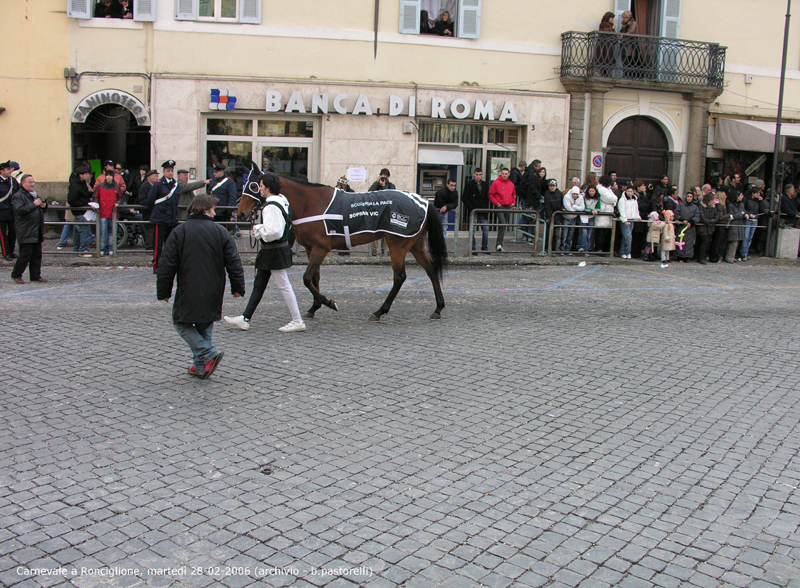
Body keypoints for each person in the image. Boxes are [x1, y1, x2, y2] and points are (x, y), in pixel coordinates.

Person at [157, 194, 245, 379]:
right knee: (205, 324)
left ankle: (207, 353)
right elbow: (234, 262)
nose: (214, 213)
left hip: (189, 286)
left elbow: (167, 264)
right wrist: (237, 286)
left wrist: (164, 290)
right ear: (205, 209)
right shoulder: (220, 231)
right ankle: (200, 366)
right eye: (213, 209)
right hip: (214, 287)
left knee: (181, 322)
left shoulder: (180, 231)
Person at [224, 173, 306, 334]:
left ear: (267, 188)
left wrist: (258, 229)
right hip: (274, 250)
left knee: (283, 285)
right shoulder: (281, 201)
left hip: (273, 250)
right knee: (260, 284)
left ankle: (297, 320)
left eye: (261, 187)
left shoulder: (272, 206)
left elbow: (273, 232)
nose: (259, 190)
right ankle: (245, 318)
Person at [10, 175, 47, 284]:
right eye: (29, 182)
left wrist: (43, 206)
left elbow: (39, 210)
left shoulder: (34, 195)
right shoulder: (18, 196)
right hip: (26, 229)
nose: (32, 184)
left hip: (36, 229)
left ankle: (35, 275)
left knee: (37, 255)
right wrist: (34, 204)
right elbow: (20, 210)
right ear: (23, 183)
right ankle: (16, 274)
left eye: (33, 182)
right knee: (25, 254)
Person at [147, 160, 179, 272]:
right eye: (168, 171)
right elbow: (150, 201)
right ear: (164, 172)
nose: (170, 173)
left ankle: (168, 264)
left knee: (170, 245)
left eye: (171, 171)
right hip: (160, 218)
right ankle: (156, 265)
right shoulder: (158, 185)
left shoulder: (175, 185)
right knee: (158, 244)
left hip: (171, 219)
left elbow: (175, 201)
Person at [67, 166, 95, 257]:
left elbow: (85, 194)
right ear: (81, 175)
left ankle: (76, 249)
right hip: (80, 211)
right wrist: (86, 203)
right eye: (86, 174)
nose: (89, 176)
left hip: (81, 211)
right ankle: (83, 250)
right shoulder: (75, 185)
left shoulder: (82, 183)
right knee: (83, 231)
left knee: (78, 232)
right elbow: (71, 200)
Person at [95, 170, 123, 256]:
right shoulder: (100, 187)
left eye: (110, 175)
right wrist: (95, 204)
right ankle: (102, 248)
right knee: (103, 232)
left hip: (113, 213)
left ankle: (110, 247)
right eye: (107, 175)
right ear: (105, 176)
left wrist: (118, 203)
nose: (109, 177)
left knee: (112, 231)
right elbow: (95, 197)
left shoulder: (117, 187)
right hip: (103, 212)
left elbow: (121, 198)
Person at [462, 168, 489, 254]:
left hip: (482, 209)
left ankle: (484, 247)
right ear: (474, 174)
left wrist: (485, 207)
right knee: (472, 229)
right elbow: (465, 198)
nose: (478, 176)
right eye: (477, 174)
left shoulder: (485, 185)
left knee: (485, 228)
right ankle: (473, 248)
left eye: (480, 174)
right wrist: (471, 207)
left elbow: (486, 197)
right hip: (473, 209)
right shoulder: (469, 185)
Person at [488, 168, 516, 252]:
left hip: (507, 206)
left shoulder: (511, 184)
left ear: (509, 174)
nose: (504, 175)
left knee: (503, 225)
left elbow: (513, 195)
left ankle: (499, 244)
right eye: (503, 173)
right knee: (503, 223)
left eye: (506, 173)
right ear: (501, 174)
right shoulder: (496, 183)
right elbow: (491, 194)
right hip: (500, 206)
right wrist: (496, 203)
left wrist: (513, 203)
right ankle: (499, 244)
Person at [368, 168, 394, 255]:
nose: (383, 179)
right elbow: (369, 193)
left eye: (385, 177)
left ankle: (384, 249)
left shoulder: (391, 186)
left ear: (388, 177)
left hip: (386, 211)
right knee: (375, 231)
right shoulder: (376, 185)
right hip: (376, 210)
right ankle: (374, 250)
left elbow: (390, 195)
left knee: (386, 232)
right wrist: (377, 183)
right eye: (382, 176)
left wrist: (383, 186)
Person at [0, 161, 19, 261]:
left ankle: (11, 252)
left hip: (12, 211)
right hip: (1, 212)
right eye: (7, 169)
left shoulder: (12, 181)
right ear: (1, 171)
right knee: (3, 234)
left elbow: (18, 192)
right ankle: (5, 253)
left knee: (13, 232)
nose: (10, 171)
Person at [674, 190, 700, 262]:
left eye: (690, 197)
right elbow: (676, 213)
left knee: (689, 243)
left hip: (690, 228)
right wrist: (682, 220)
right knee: (680, 241)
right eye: (688, 196)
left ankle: (687, 256)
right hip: (681, 227)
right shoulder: (680, 205)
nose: (689, 198)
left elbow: (697, 217)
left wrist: (691, 222)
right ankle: (679, 256)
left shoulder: (695, 207)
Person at [595, 175, 618, 253]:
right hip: (603, 212)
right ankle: (598, 248)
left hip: (608, 213)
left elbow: (615, 198)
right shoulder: (600, 189)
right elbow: (610, 199)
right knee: (600, 233)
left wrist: (614, 201)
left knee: (605, 233)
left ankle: (604, 249)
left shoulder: (608, 189)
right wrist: (613, 201)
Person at [617, 186, 641, 259]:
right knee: (628, 237)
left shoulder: (634, 200)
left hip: (632, 219)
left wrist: (638, 217)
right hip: (625, 220)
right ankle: (627, 251)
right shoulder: (622, 200)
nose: (630, 193)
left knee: (627, 237)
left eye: (631, 191)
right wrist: (624, 220)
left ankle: (623, 252)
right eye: (628, 191)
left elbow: (636, 210)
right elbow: (622, 210)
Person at [696, 191, 718, 264]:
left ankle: (704, 256)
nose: (713, 202)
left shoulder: (713, 207)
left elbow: (716, 216)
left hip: (710, 228)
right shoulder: (701, 207)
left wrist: (712, 221)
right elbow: (702, 217)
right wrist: (709, 221)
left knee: (707, 242)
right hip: (703, 228)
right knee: (705, 241)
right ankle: (701, 257)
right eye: (712, 200)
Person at [561, 180, 584, 252]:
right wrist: (577, 209)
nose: (575, 196)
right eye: (574, 194)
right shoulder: (567, 197)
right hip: (566, 217)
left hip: (574, 218)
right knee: (564, 235)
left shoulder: (580, 198)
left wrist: (574, 206)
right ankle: (562, 249)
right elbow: (568, 208)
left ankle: (567, 249)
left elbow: (582, 208)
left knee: (570, 235)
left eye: (576, 194)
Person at [138, 169, 158, 249]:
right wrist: (152, 202)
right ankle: (149, 245)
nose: (157, 178)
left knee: (154, 228)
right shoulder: (145, 186)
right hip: (148, 211)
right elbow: (142, 200)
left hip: (154, 211)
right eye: (155, 176)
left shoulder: (155, 185)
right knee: (149, 228)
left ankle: (153, 244)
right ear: (149, 177)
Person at [725, 190, 747, 263]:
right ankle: (729, 257)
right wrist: (741, 214)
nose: (742, 197)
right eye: (741, 195)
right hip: (733, 225)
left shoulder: (741, 204)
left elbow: (743, 212)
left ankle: (733, 256)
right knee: (733, 242)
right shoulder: (730, 205)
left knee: (737, 242)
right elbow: (731, 215)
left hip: (740, 225)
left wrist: (744, 214)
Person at [740, 186, 761, 261]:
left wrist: (760, 201)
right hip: (748, 219)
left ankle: (746, 252)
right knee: (746, 236)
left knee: (750, 237)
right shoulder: (746, 199)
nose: (759, 194)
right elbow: (743, 208)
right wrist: (749, 214)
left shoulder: (757, 201)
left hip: (755, 219)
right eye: (757, 193)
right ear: (753, 193)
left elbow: (760, 210)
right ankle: (742, 253)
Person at [709, 190, 728, 263]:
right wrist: (728, 216)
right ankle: (714, 256)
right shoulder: (719, 206)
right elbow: (720, 217)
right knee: (717, 241)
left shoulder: (717, 205)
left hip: (719, 225)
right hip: (719, 225)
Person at [581, 184, 600, 252]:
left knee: (589, 234)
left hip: (591, 217)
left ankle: (587, 248)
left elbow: (598, 207)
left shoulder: (597, 198)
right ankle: (583, 246)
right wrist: (592, 210)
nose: (591, 192)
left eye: (593, 191)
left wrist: (596, 210)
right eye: (590, 191)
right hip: (584, 217)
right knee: (584, 232)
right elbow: (584, 207)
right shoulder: (584, 197)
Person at [619, 10, 639, 77]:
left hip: (630, 45)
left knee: (628, 60)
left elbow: (630, 32)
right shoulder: (624, 24)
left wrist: (623, 35)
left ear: (627, 17)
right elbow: (621, 31)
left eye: (624, 18)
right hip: (624, 45)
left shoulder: (633, 23)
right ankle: (625, 75)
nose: (623, 19)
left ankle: (627, 75)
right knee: (624, 60)